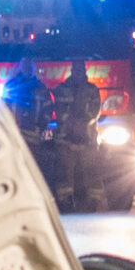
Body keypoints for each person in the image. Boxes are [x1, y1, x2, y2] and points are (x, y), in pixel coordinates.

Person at [50, 61, 104, 211]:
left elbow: (95, 112)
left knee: (91, 170)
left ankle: (94, 201)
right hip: (65, 139)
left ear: (84, 70)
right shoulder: (62, 88)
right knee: (65, 172)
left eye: (81, 69)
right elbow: (59, 112)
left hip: (87, 139)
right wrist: (72, 123)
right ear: (72, 70)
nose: (78, 72)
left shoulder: (92, 90)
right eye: (76, 69)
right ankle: (65, 201)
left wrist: (81, 122)